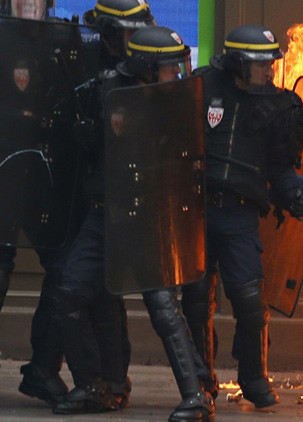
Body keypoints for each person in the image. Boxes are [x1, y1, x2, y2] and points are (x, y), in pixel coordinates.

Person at [51, 26, 214, 422]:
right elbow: (82, 151)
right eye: (168, 68)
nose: (176, 74)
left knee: (162, 307)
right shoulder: (104, 90)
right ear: (144, 66)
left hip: (150, 212)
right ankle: (93, 385)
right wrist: (87, 138)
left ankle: (197, 395)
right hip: (105, 212)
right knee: (68, 293)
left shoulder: (176, 99)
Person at [189, 23, 303, 408]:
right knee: (194, 300)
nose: (269, 70)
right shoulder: (200, 87)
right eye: (261, 64)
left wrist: (296, 192)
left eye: (272, 63)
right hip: (194, 210)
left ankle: (254, 378)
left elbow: (281, 168)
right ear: (239, 63)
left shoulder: (282, 107)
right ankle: (199, 380)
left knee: (248, 297)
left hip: (240, 214)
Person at [0, 0, 88, 406]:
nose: (30, 3)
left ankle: (43, 369)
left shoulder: (65, 40)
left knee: (64, 267)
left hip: (45, 175)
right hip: (2, 171)